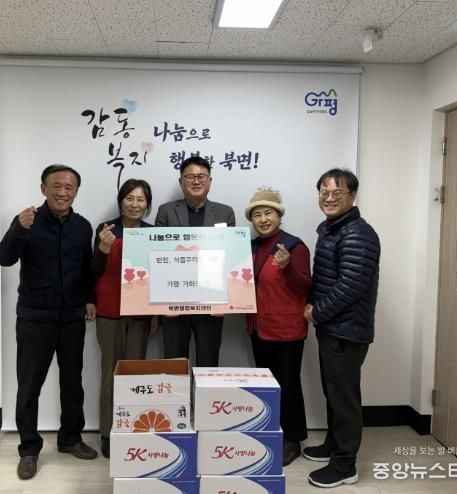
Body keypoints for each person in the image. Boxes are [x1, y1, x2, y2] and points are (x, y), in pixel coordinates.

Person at [0, 164, 98, 480]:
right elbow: (3, 258)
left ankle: (70, 439)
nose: (62, 192)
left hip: (72, 318)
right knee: (29, 386)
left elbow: (86, 268)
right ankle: (29, 448)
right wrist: (18, 229)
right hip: (35, 318)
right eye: (56, 186)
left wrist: (89, 298)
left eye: (69, 187)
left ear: (76, 192)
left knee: (73, 382)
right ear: (43, 189)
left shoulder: (82, 226)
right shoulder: (28, 220)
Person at [303, 168, 380, 488]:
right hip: (334, 327)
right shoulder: (334, 229)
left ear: (353, 196)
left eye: (337, 193)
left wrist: (317, 311)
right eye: (324, 192)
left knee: (344, 398)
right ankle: (333, 445)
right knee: (333, 392)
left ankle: (345, 465)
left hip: (346, 331)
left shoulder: (358, 234)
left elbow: (351, 286)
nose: (330, 198)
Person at [244, 188, 311, 467]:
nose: (263, 219)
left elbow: (305, 286)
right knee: (268, 386)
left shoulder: (294, 246)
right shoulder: (250, 247)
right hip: (259, 328)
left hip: (286, 330)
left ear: (279, 215)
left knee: (289, 385)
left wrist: (287, 268)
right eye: (257, 214)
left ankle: (293, 440)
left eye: (268, 213)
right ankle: (273, 432)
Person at [92, 178, 158, 459]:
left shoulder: (154, 233)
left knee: (134, 373)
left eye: (141, 199)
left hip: (141, 313)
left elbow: (160, 277)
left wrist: (156, 314)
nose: (134, 204)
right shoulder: (106, 229)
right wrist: (103, 249)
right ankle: (108, 432)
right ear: (121, 201)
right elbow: (94, 271)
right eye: (129, 198)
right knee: (111, 372)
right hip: (110, 311)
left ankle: (132, 426)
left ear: (147, 205)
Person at [155, 156, 235, 366]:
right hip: (174, 300)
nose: (196, 181)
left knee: (208, 363)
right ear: (181, 181)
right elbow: (157, 255)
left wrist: (224, 300)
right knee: (174, 363)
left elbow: (230, 257)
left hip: (211, 300)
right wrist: (163, 301)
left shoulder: (225, 213)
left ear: (210, 181)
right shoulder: (166, 211)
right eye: (190, 177)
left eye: (201, 176)